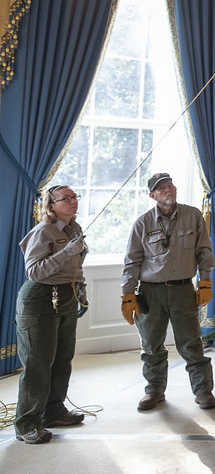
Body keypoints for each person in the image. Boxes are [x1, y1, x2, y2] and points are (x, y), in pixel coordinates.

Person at [121, 172, 215, 411]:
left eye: (170, 185)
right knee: (152, 345)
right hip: (150, 293)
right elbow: (131, 262)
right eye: (162, 188)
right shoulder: (142, 224)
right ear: (152, 195)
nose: (169, 189)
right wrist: (127, 295)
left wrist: (205, 282)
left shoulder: (193, 216)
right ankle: (154, 390)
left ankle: (203, 390)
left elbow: (204, 252)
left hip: (183, 290)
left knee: (191, 343)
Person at [14, 185, 89, 444]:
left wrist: (81, 290)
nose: (72, 202)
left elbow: (76, 266)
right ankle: (26, 424)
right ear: (52, 205)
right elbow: (34, 272)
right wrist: (66, 251)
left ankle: (53, 411)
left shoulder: (75, 229)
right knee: (38, 364)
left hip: (66, 296)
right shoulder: (42, 231)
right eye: (65, 199)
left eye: (74, 197)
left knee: (62, 359)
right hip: (39, 299)